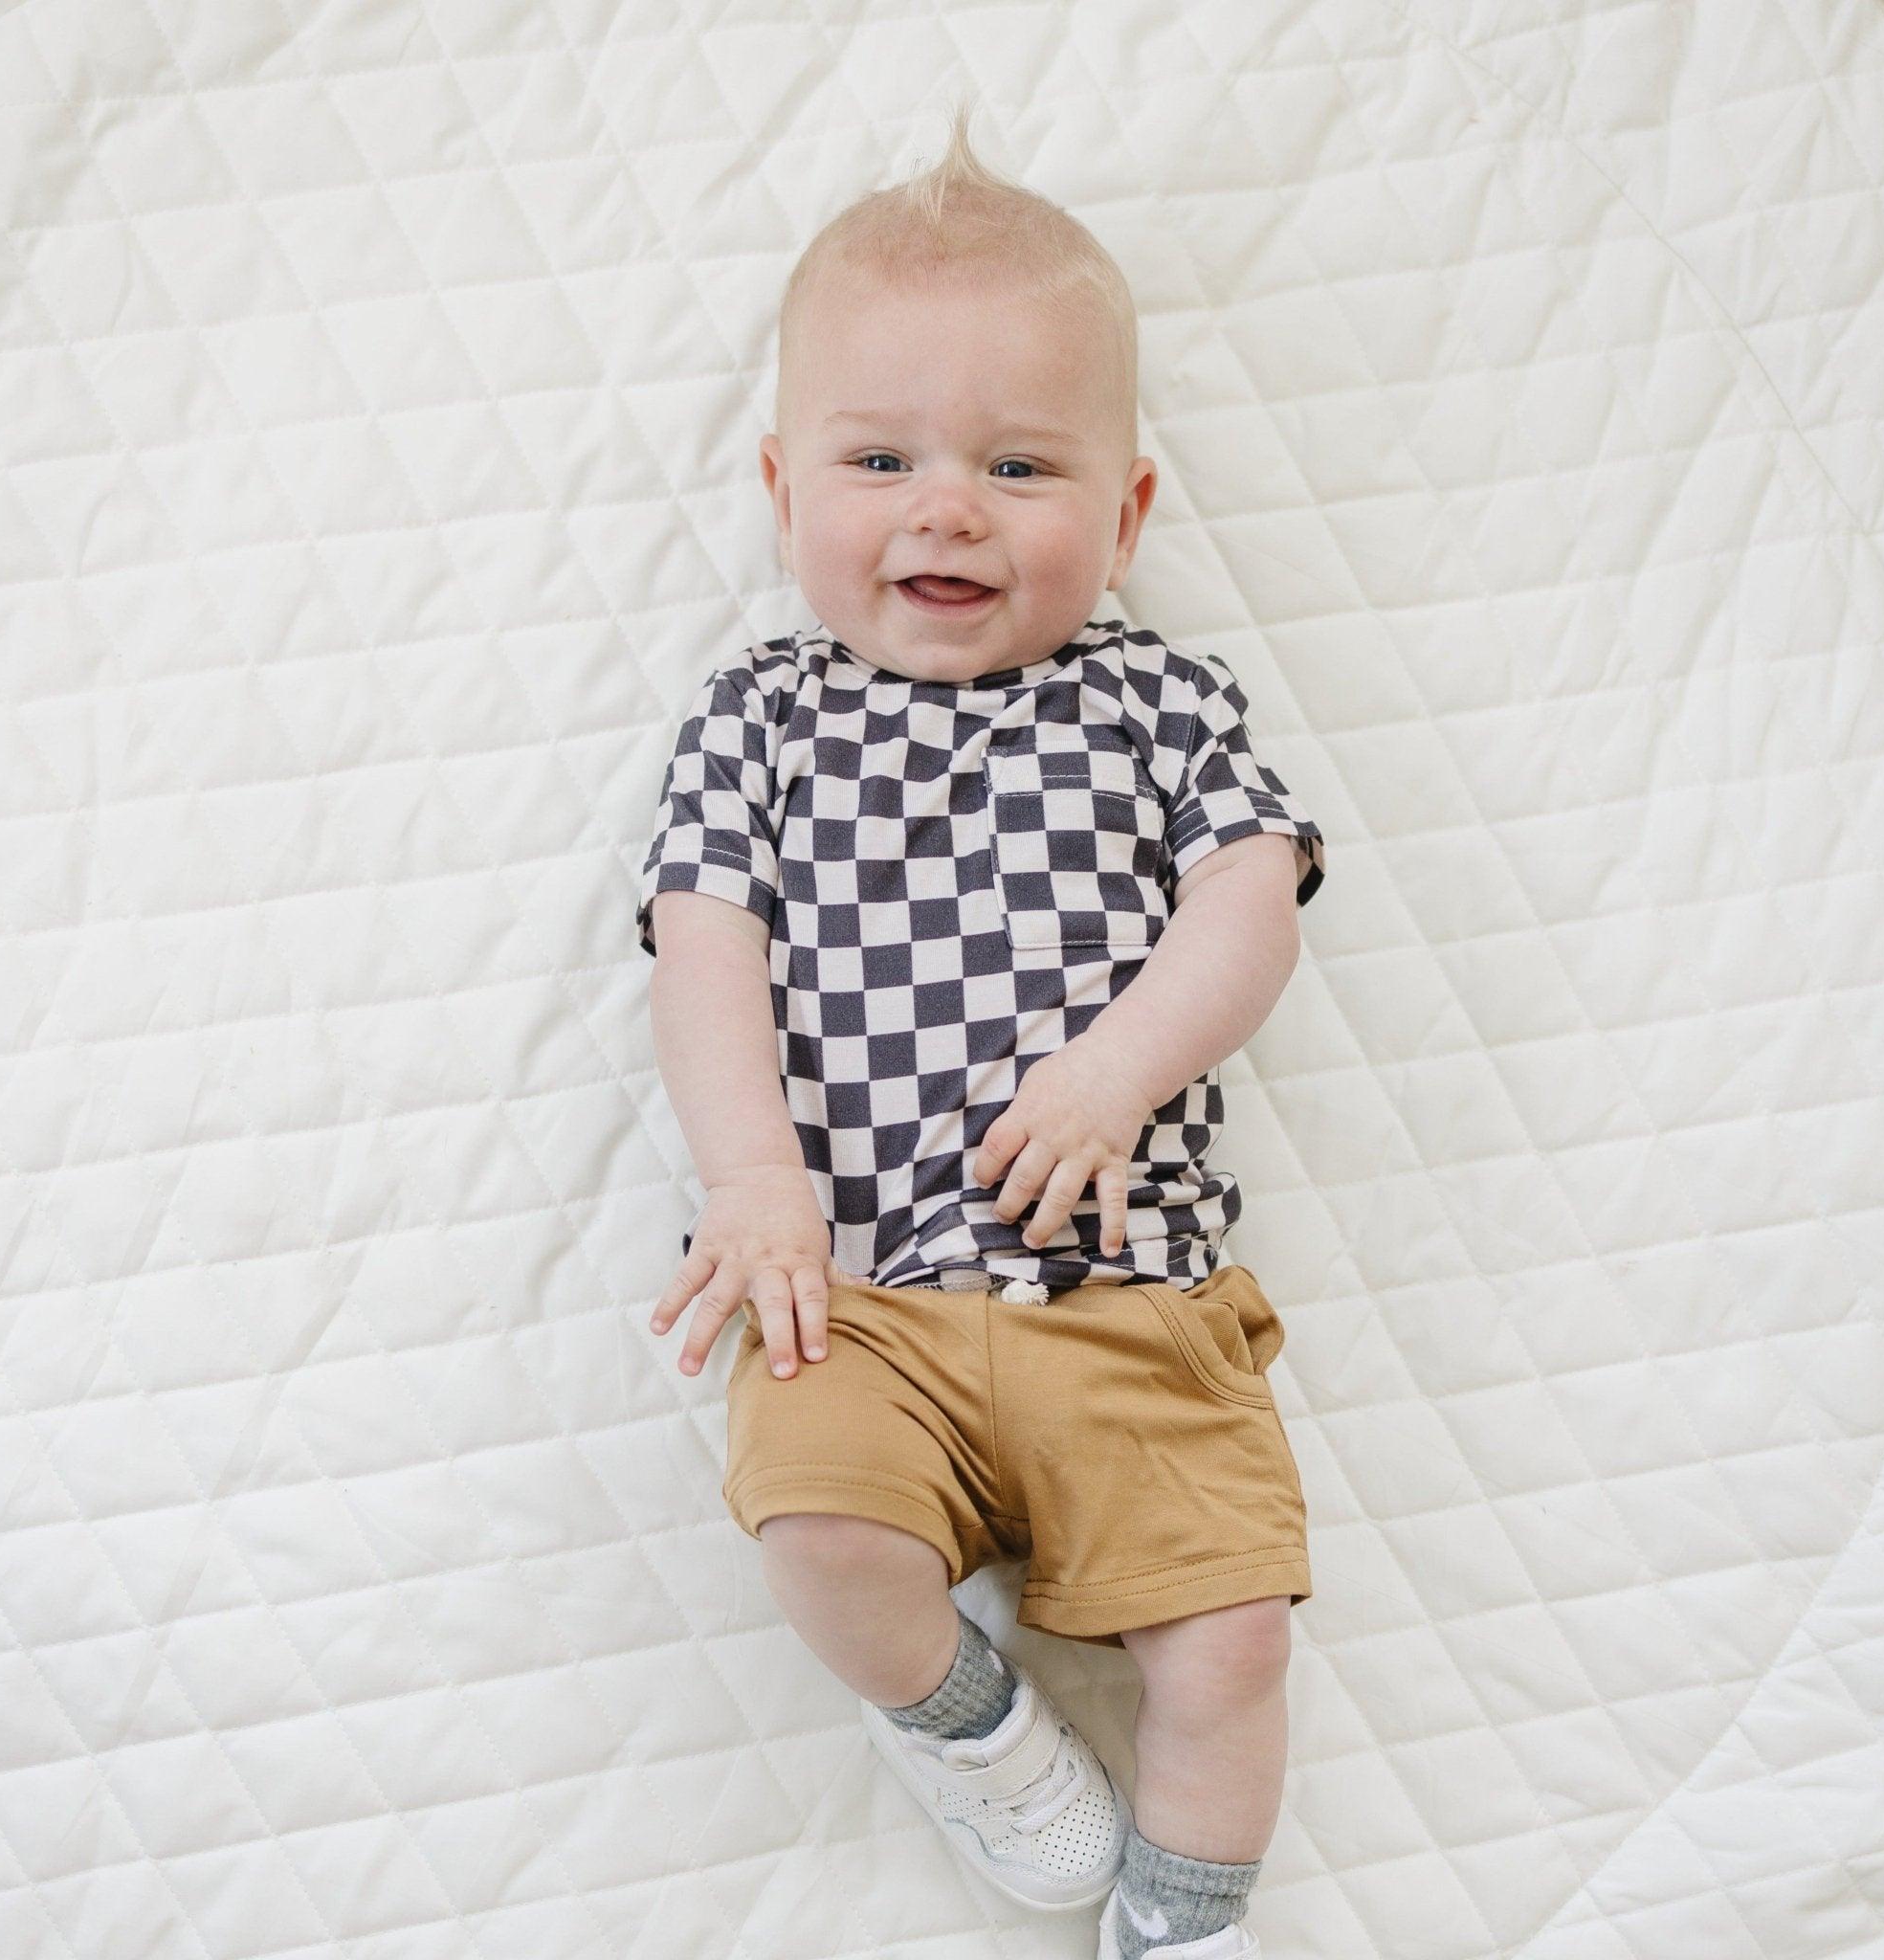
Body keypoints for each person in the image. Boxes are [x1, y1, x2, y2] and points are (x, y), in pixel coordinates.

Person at [633, 100, 1326, 1960]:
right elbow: (698, 950)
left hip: (1134, 1297)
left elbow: (1247, 902)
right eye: (881, 457)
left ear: (1126, 511)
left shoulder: (1156, 697)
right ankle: (976, 1725)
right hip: (850, 1293)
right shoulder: (760, 717)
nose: (945, 505)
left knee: (1236, 1628)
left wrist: (1115, 1071)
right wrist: (751, 1179)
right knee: (815, 1535)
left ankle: (1185, 1916)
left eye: (1019, 467)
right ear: (783, 494)